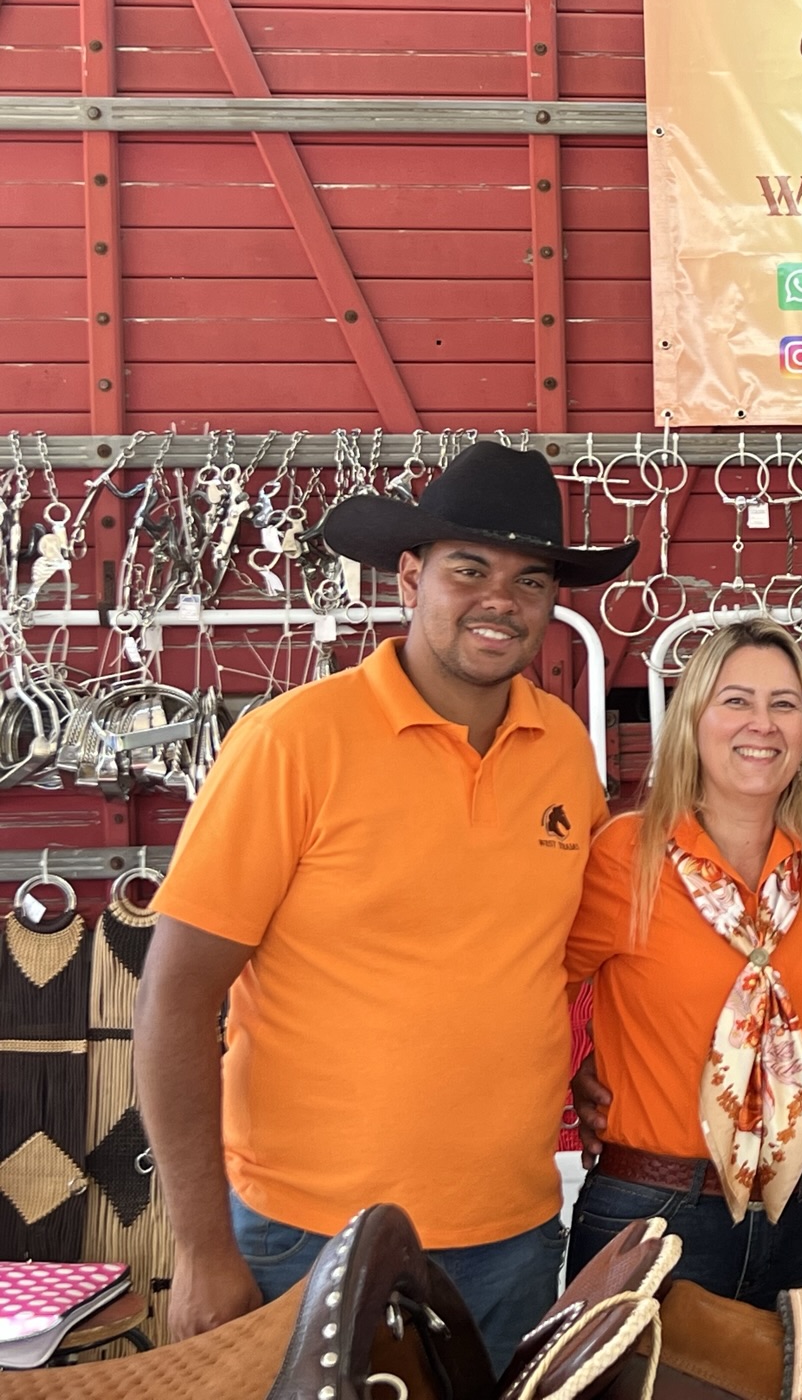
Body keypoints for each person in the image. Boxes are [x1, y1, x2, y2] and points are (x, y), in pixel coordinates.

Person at [134, 442, 636, 1371]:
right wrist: (200, 1248)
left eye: (530, 581)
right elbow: (173, 996)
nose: (501, 601)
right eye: (469, 570)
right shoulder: (292, 742)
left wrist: (586, 1061)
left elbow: (545, 948)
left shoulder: (563, 745)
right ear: (411, 577)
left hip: (515, 1228)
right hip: (311, 1234)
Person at [560, 617, 802, 1304]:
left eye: (784, 704)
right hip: (652, 1212)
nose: (761, 724)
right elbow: (534, 986)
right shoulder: (625, 856)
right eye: (736, 700)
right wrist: (578, 1068)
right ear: (693, 720)